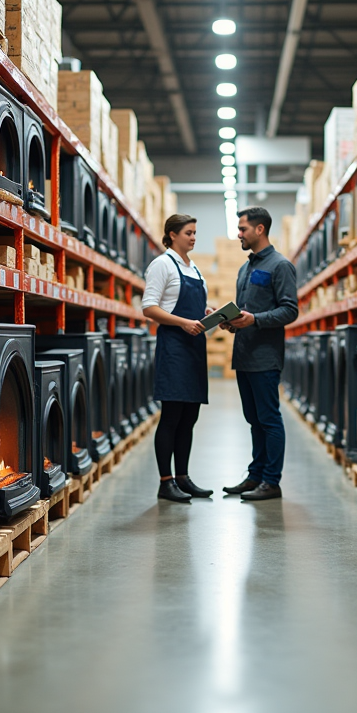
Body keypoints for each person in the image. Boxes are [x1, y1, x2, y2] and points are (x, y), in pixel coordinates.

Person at [221, 207, 299, 501]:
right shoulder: (246, 268)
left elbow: (289, 310)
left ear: (260, 230)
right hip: (244, 355)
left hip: (265, 357)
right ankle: (255, 475)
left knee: (268, 419)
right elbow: (246, 312)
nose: (239, 234)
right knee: (253, 419)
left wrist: (254, 319)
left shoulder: (280, 266)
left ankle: (271, 481)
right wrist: (232, 322)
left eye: (242, 229)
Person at [142, 214, 214, 503]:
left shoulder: (194, 268)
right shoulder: (162, 265)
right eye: (188, 233)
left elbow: (188, 303)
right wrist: (183, 322)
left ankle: (183, 477)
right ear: (172, 235)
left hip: (195, 347)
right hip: (174, 346)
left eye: (195, 232)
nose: (193, 238)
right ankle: (165, 481)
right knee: (171, 417)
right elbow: (149, 307)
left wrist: (207, 312)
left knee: (190, 418)